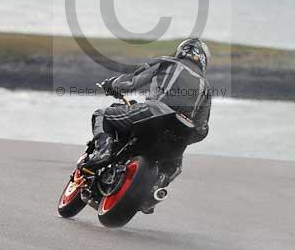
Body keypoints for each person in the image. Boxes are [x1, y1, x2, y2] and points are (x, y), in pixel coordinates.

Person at [85, 38, 212, 181]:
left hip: (154, 113)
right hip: (180, 134)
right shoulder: (205, 86)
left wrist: (111, 84)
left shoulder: (168, 62)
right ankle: (155, 192)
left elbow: (132, 81)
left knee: (102, 115)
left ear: (182, 51)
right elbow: (202, 128)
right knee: (173, 169)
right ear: (204, 61)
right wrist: (185, 137)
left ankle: (103, 152)